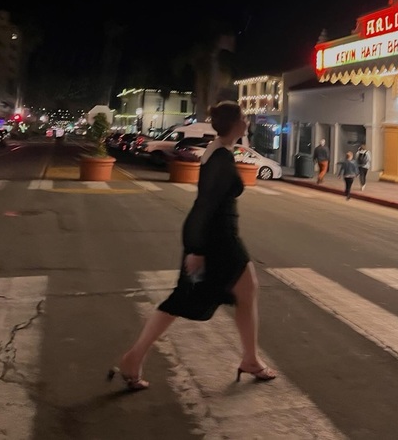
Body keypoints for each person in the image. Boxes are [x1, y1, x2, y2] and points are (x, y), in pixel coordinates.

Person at [109, 101, 276, 390]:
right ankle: (133, 357)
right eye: (244, 117)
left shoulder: (220, 149)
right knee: (183, 299)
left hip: (220, 237)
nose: (247, 121)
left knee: (245, 291)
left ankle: (250, 358)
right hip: (216, 240)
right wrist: (196, 249)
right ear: (235, 123)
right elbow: (204, 205)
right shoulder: (220, 157)